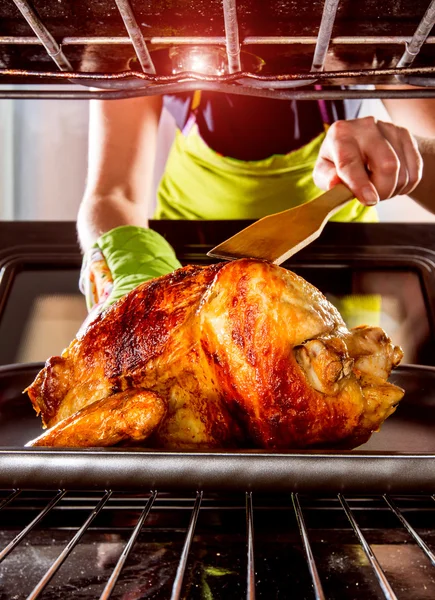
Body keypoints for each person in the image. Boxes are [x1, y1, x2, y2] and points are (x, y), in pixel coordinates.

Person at [77, 90, 435, 319]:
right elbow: (112, 193)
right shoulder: (147, 19)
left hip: (342, 267)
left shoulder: (362, 17)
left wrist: (406, 152)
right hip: (186, 263)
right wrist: (131, 271)